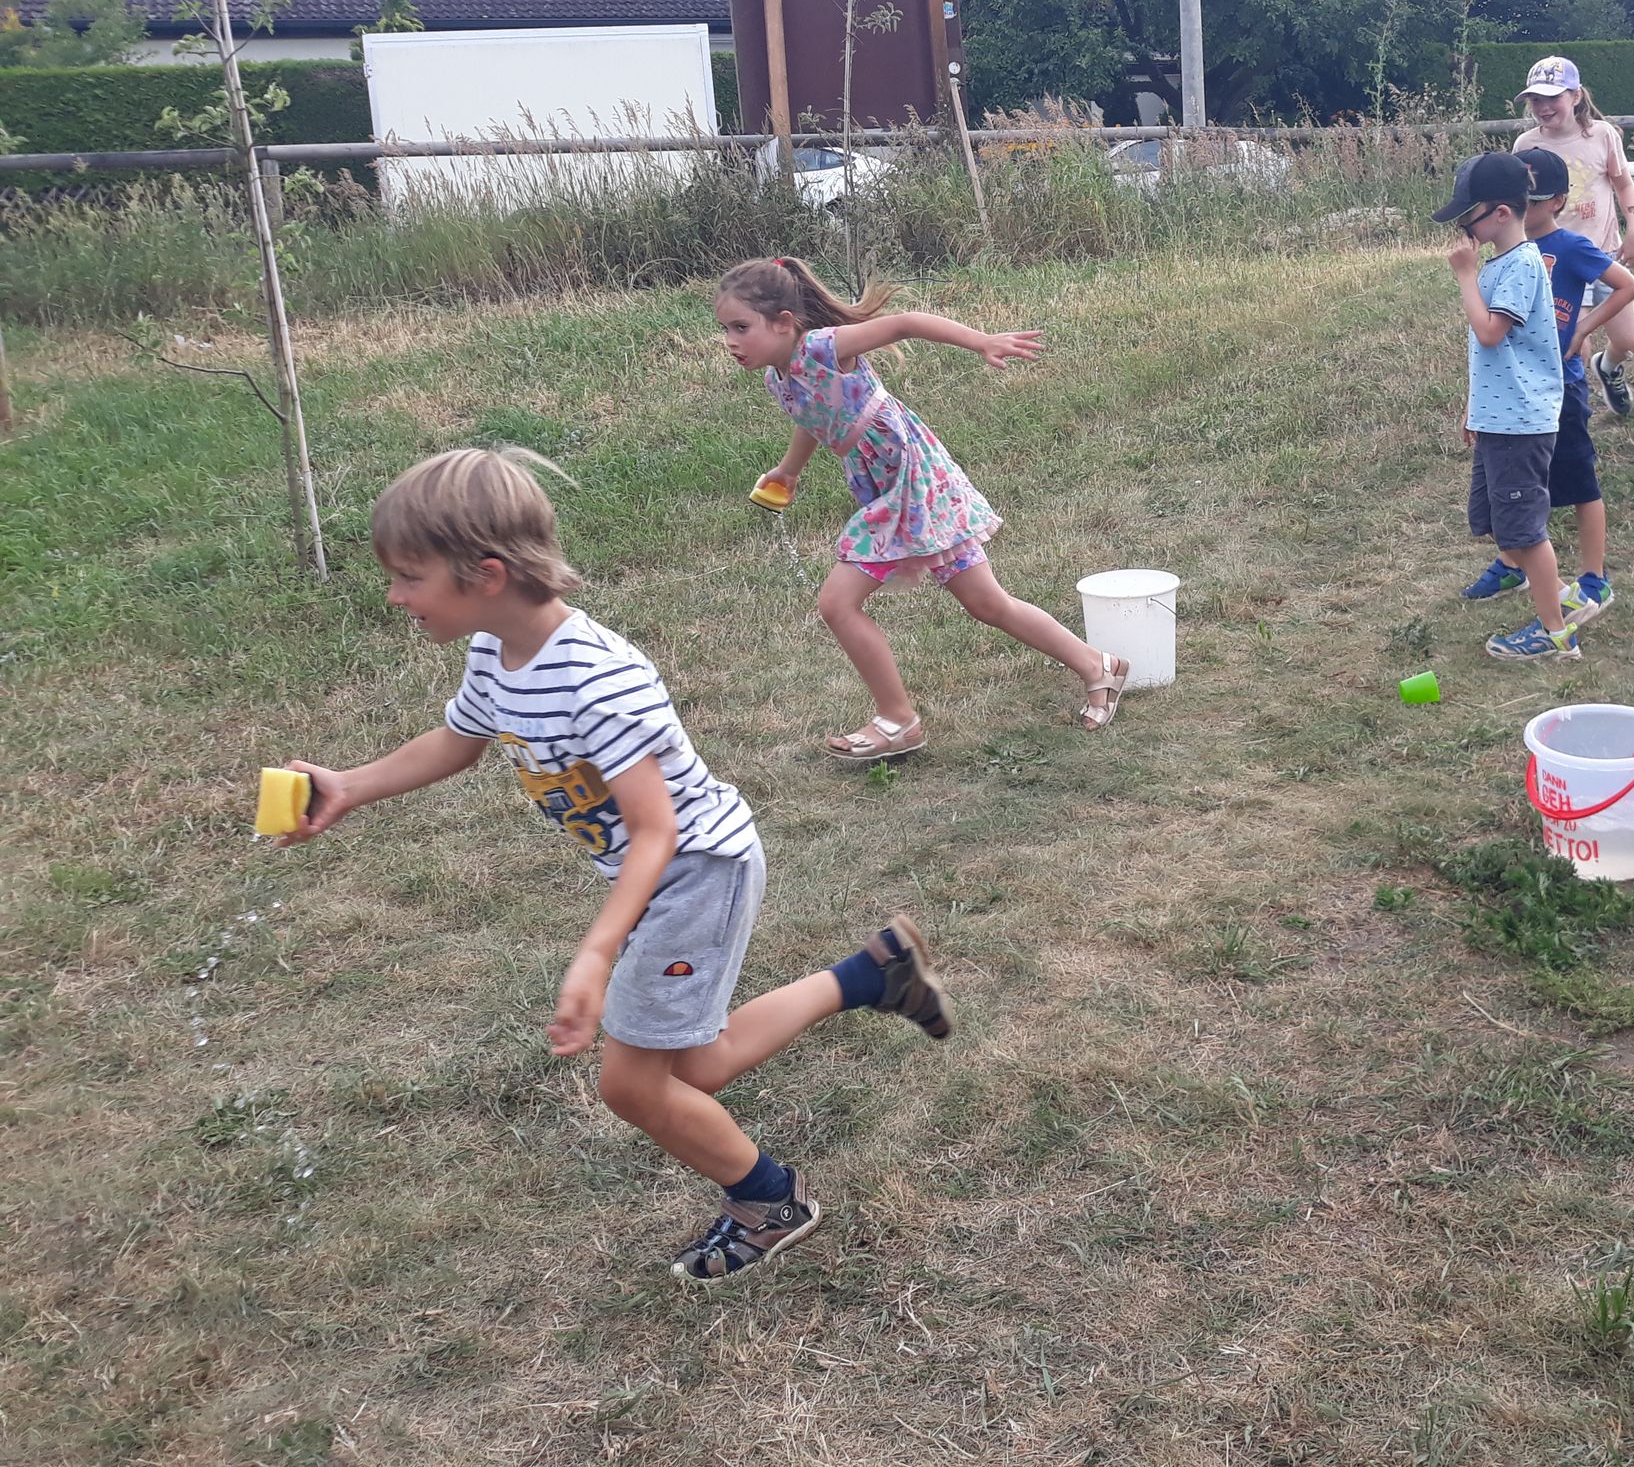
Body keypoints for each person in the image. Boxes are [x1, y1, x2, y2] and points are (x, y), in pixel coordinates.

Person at [276, 447, 956, 1282]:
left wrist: (598, 952)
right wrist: (349, 785)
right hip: (664, 878)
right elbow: (457, 741)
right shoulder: (496, 650)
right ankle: (873, 974)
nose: (395, 596)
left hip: (696, 872)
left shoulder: (597, 678)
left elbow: (656, 830)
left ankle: (770, 1203)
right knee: (691, 1065)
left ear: (485, 572)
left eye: (409, 577)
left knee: (632, 1086)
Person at [718, 257, 1130, 761]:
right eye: (725, 330)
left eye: (741, 327)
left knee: (837, 603)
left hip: (910, 483)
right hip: (891, 486)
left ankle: (898, 721)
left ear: (784, 322)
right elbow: (814, 416)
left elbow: (905, 323)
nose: (731, 341)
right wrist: (789, 471)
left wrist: (982, 341)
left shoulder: (824, 348)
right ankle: (1098, 665)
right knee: (986, 604)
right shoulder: (779, 378)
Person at [1460, 146, 1634, 618]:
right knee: (1512, 500)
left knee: (1572, 482)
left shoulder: (1551, 252)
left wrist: (1583, 329)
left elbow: (1627, 285)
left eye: (1535, 198)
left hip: (1555, 388)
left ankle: (1586, 587)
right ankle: (1524, 571)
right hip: (1514, 397)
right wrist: (1475, 407)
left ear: (1556, 201)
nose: (1530, 205)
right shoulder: (1508, 258)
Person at [1432, 151, 1578, 661]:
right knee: (1497, 520)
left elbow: (1491, 333)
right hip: (1501, 417)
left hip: (1521, 422)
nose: (1463, 229)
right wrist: (1475, 407)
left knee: (1524, 530)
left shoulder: (1520, 265)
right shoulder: (1506, 263)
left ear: (1499, 214)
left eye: (1469, 216)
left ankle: (1556, 633)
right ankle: (1555, 593)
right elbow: (1490, 353)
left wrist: (1465, 277)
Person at [1512, 55, 1634, 417]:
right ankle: (1570, 417)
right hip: (1558, 261)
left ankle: (1609, 368)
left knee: (1627, 341)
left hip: (1603, 253)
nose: (1542, 107)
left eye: (1551, 97)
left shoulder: (1601, 135)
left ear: (1575, 95)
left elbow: (1623, 184)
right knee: (1574, 344)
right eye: (1535, 99)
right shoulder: (1526, 144)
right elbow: (1517, 202)